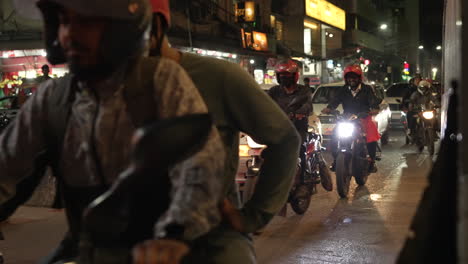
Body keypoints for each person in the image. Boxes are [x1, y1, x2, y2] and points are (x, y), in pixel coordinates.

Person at [0, 0, 225, 263]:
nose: (68, 34)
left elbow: (200, 163)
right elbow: (8, 165)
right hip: (87, 248)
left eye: (86, 22)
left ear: (121, 28)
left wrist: (174, 234)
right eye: (63, 21)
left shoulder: (159, 79)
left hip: (164, 249)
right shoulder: (52, 98)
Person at [149, 1, 300, 263]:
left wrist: (253, 216)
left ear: (151, 25)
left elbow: (285, 140)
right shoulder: (91, 89)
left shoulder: (218, 77)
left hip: (207, 242)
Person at [322, 64, 381, 173]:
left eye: (354, 77)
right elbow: (335, 101)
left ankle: (372, 161)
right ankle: (336, 159)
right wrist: (329, 108)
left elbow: (373, 102)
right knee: (335, 135)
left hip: (363, 117)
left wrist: (373, 110)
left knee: (371, 136)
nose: (351, 80)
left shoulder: (367, 89)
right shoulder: (343, 90)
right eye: (349, 77)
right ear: (346, 79)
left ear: (359, 78)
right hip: (347, 118)